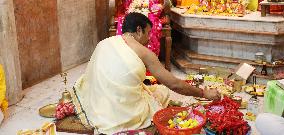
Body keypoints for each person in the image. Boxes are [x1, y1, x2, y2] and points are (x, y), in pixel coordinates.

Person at [71, 12, 220, 134]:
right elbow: (174, 84)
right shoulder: (144, 52)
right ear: (138, 30)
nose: (149, 38)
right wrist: (203, 93)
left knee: (147, 87)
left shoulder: (105, 42)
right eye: (148, 33)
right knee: (162, 92)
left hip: (96, 105)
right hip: (125, 115)